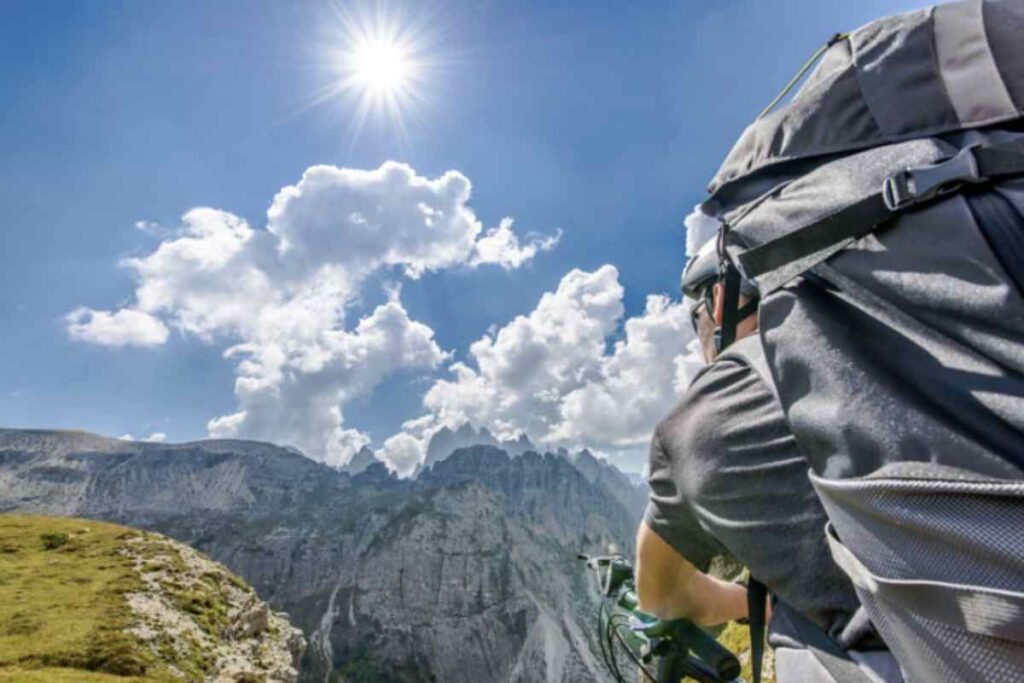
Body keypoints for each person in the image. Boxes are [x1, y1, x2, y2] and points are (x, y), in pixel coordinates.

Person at [635, 236, 899, 682]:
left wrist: (756, 601)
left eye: (693, 321)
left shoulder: (703, 420)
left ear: (718, 302)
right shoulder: (914, 345)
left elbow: (664, 597)